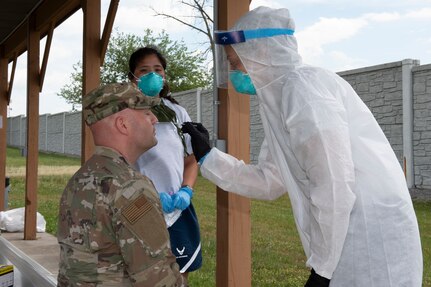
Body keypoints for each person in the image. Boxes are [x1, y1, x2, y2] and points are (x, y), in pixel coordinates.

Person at [182, 6, 423, 287]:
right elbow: (270, 180)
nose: (234, 72)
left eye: (236, 63)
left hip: (370, 235)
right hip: (343, 235)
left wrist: (322, 270)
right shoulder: (279, 97)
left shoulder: (304, 89)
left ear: (261, 53)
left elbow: (334, 184)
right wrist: (208, 156)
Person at [57, 82, 186, 287]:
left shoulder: (80, 179)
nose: (154, 119)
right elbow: (157, 279)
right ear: (123, 125)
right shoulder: (129, 188)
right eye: (146, 114)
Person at [128, 47, 202, 279]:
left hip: (177, 208)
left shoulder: (178, 113)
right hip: (137, 207)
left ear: (164, 76)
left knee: (180, 274)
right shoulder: (125, 113)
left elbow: (191, 160)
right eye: (144, 70)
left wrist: (186, 190)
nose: (152, 75)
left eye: (157, 70)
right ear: (133, 77)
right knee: (141, 274)